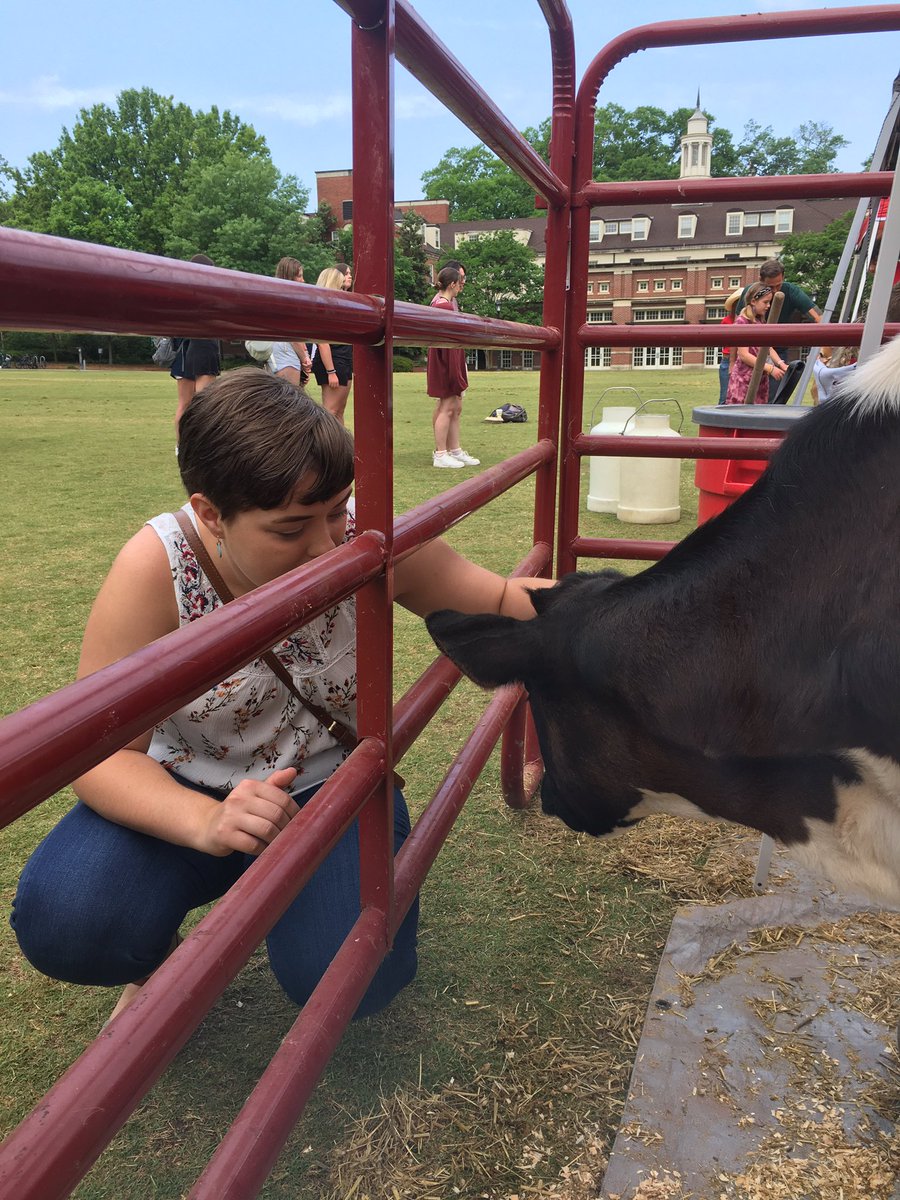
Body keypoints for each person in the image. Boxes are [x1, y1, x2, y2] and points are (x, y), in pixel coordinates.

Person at [9, 369, 552, 1025]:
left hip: (332, 790)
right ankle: (153, 955)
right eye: (292, 528)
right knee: (68, 919)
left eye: (334, 512)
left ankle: (310, 903)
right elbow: (97, 754)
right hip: (188, 793)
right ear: (211, 513)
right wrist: (205, 822)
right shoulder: (156, 567)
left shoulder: (358, 535)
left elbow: (492, 601)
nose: (328, 546)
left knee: (354, 978)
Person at [427, 266, 480, 470]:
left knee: (454, 407)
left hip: (448, 360)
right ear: (452, 284)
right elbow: (447, 344)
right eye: (460, 283)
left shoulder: (443, 303)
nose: (461, 286)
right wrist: (454, 372)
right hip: (446, 362)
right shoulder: (443, 306)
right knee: (447, 406)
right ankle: (441, 453)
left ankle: (454, 449)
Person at [738, 259, 830, 364]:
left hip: (778, 349)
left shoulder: (791, 291)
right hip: (752, 349)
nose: (775, 291)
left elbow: (818, 318)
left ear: (783, 278)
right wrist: (731, 363)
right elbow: (736, 327)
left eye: (778, 285)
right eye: (770, 287)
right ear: (760, 280)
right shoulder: (751, 292)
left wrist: (823, 349)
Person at [171, 253, 221, 433]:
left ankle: (180, 447)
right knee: (204, 405)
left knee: (184, 405)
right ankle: (199, 447)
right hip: (203, 349)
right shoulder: (206, 296)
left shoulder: (183, 295)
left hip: (184, 353)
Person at [724, 282, 789, 405]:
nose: (768, 306)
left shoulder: (759, 322)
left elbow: (768, 348)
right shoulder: (742, 322)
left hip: (760, 380)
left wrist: (781, 364)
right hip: (743, 381)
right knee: (741, 417)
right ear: (753, 301)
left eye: (769, 302)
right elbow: (744, 355)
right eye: (765, 302)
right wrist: (770, 368)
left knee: (757, 416)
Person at [311, 267, 353, 424]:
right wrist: (331, 371)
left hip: (344, 360)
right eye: (343, 276)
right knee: (330, 411)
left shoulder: (340, 304)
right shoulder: (324, 306)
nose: (347, 278)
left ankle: (341, 447)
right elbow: (322, 341)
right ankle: (325, 446)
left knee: (339, 410)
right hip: (333, 361)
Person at [269, 257, 314, 387]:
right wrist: (305, 359)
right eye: (299, 276)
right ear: (289, 277)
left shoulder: (274, 299)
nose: (303, 280)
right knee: (289, 403)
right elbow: (293, 335)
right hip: (286, 354)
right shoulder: (288, 302)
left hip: (277, 355)